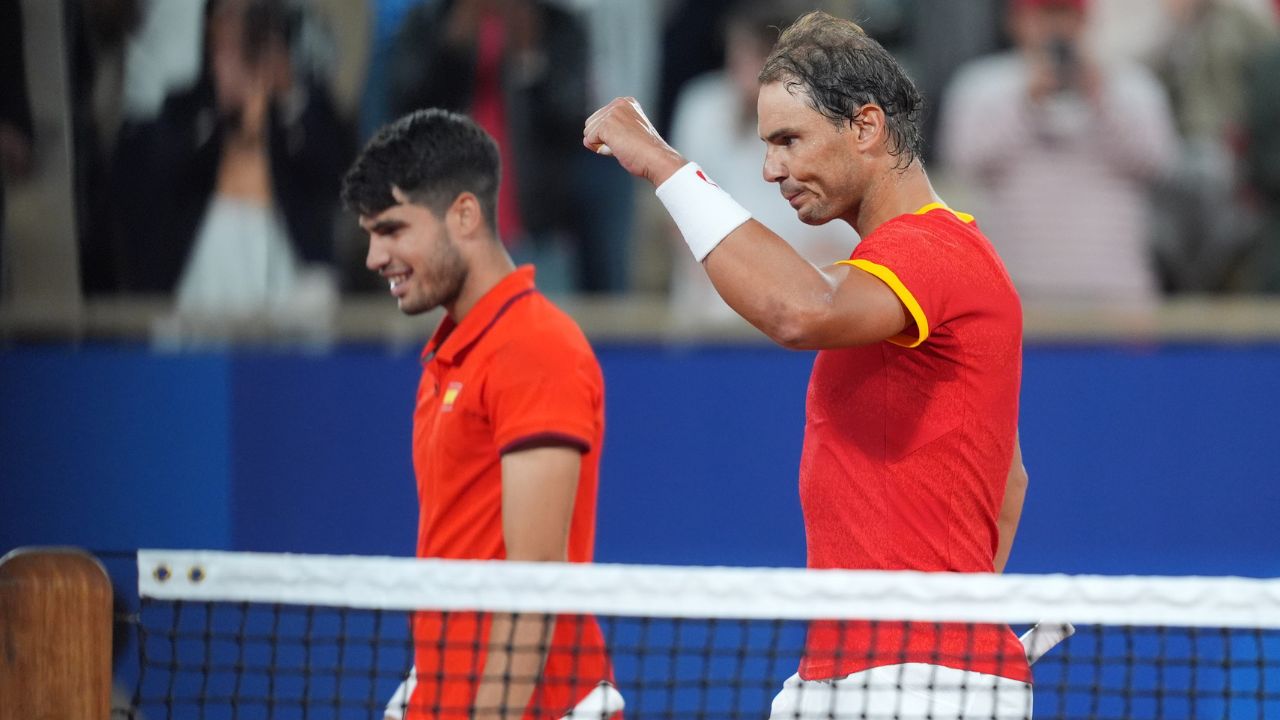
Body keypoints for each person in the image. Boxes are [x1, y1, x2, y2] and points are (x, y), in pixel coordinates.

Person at [584, 10, 1031, 720]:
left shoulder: (934, 251)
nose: (771, 170)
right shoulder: (914, 269)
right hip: (873, 669)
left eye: (789, 140)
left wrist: (664, 166)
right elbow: (1007, 484)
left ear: (865, 127)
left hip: (914, 679)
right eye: (766, 145)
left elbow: (801, 311)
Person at [341, 109, 619, 720]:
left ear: (464, 215)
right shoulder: (450, 352)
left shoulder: (533, 347)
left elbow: (535, 580)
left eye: (391, 230)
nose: (373, 256)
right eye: (368, 234)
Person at [111, 0, 352, 317]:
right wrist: (219, 107)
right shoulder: (184, 107)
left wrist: (289, 94)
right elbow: (152, 183)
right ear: (210, 26)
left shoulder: (301, 101)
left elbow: (338, 175)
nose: (240, 30)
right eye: (230, 16)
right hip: (204, 264)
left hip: (288, 262)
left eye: (250, 17)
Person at [939, 0, 1177, 307]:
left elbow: (1157, 162)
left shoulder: (1132, 85)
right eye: (1042, 16)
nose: (1054, 28)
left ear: (1085, 22)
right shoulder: (982, 85)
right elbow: (963, 161)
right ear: (1016, 22)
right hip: (1014, 288)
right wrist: (1026, 104)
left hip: (1116, 290)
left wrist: (1102, 100)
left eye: (1065, 16)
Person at [666, 0, 857, 327]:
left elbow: (840, 241)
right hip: (712, 308)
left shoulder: (832, 119)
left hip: (809, 305)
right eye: (734, 57)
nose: (737, 70)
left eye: (750, 58)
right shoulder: (703, 106)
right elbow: (678, 213)